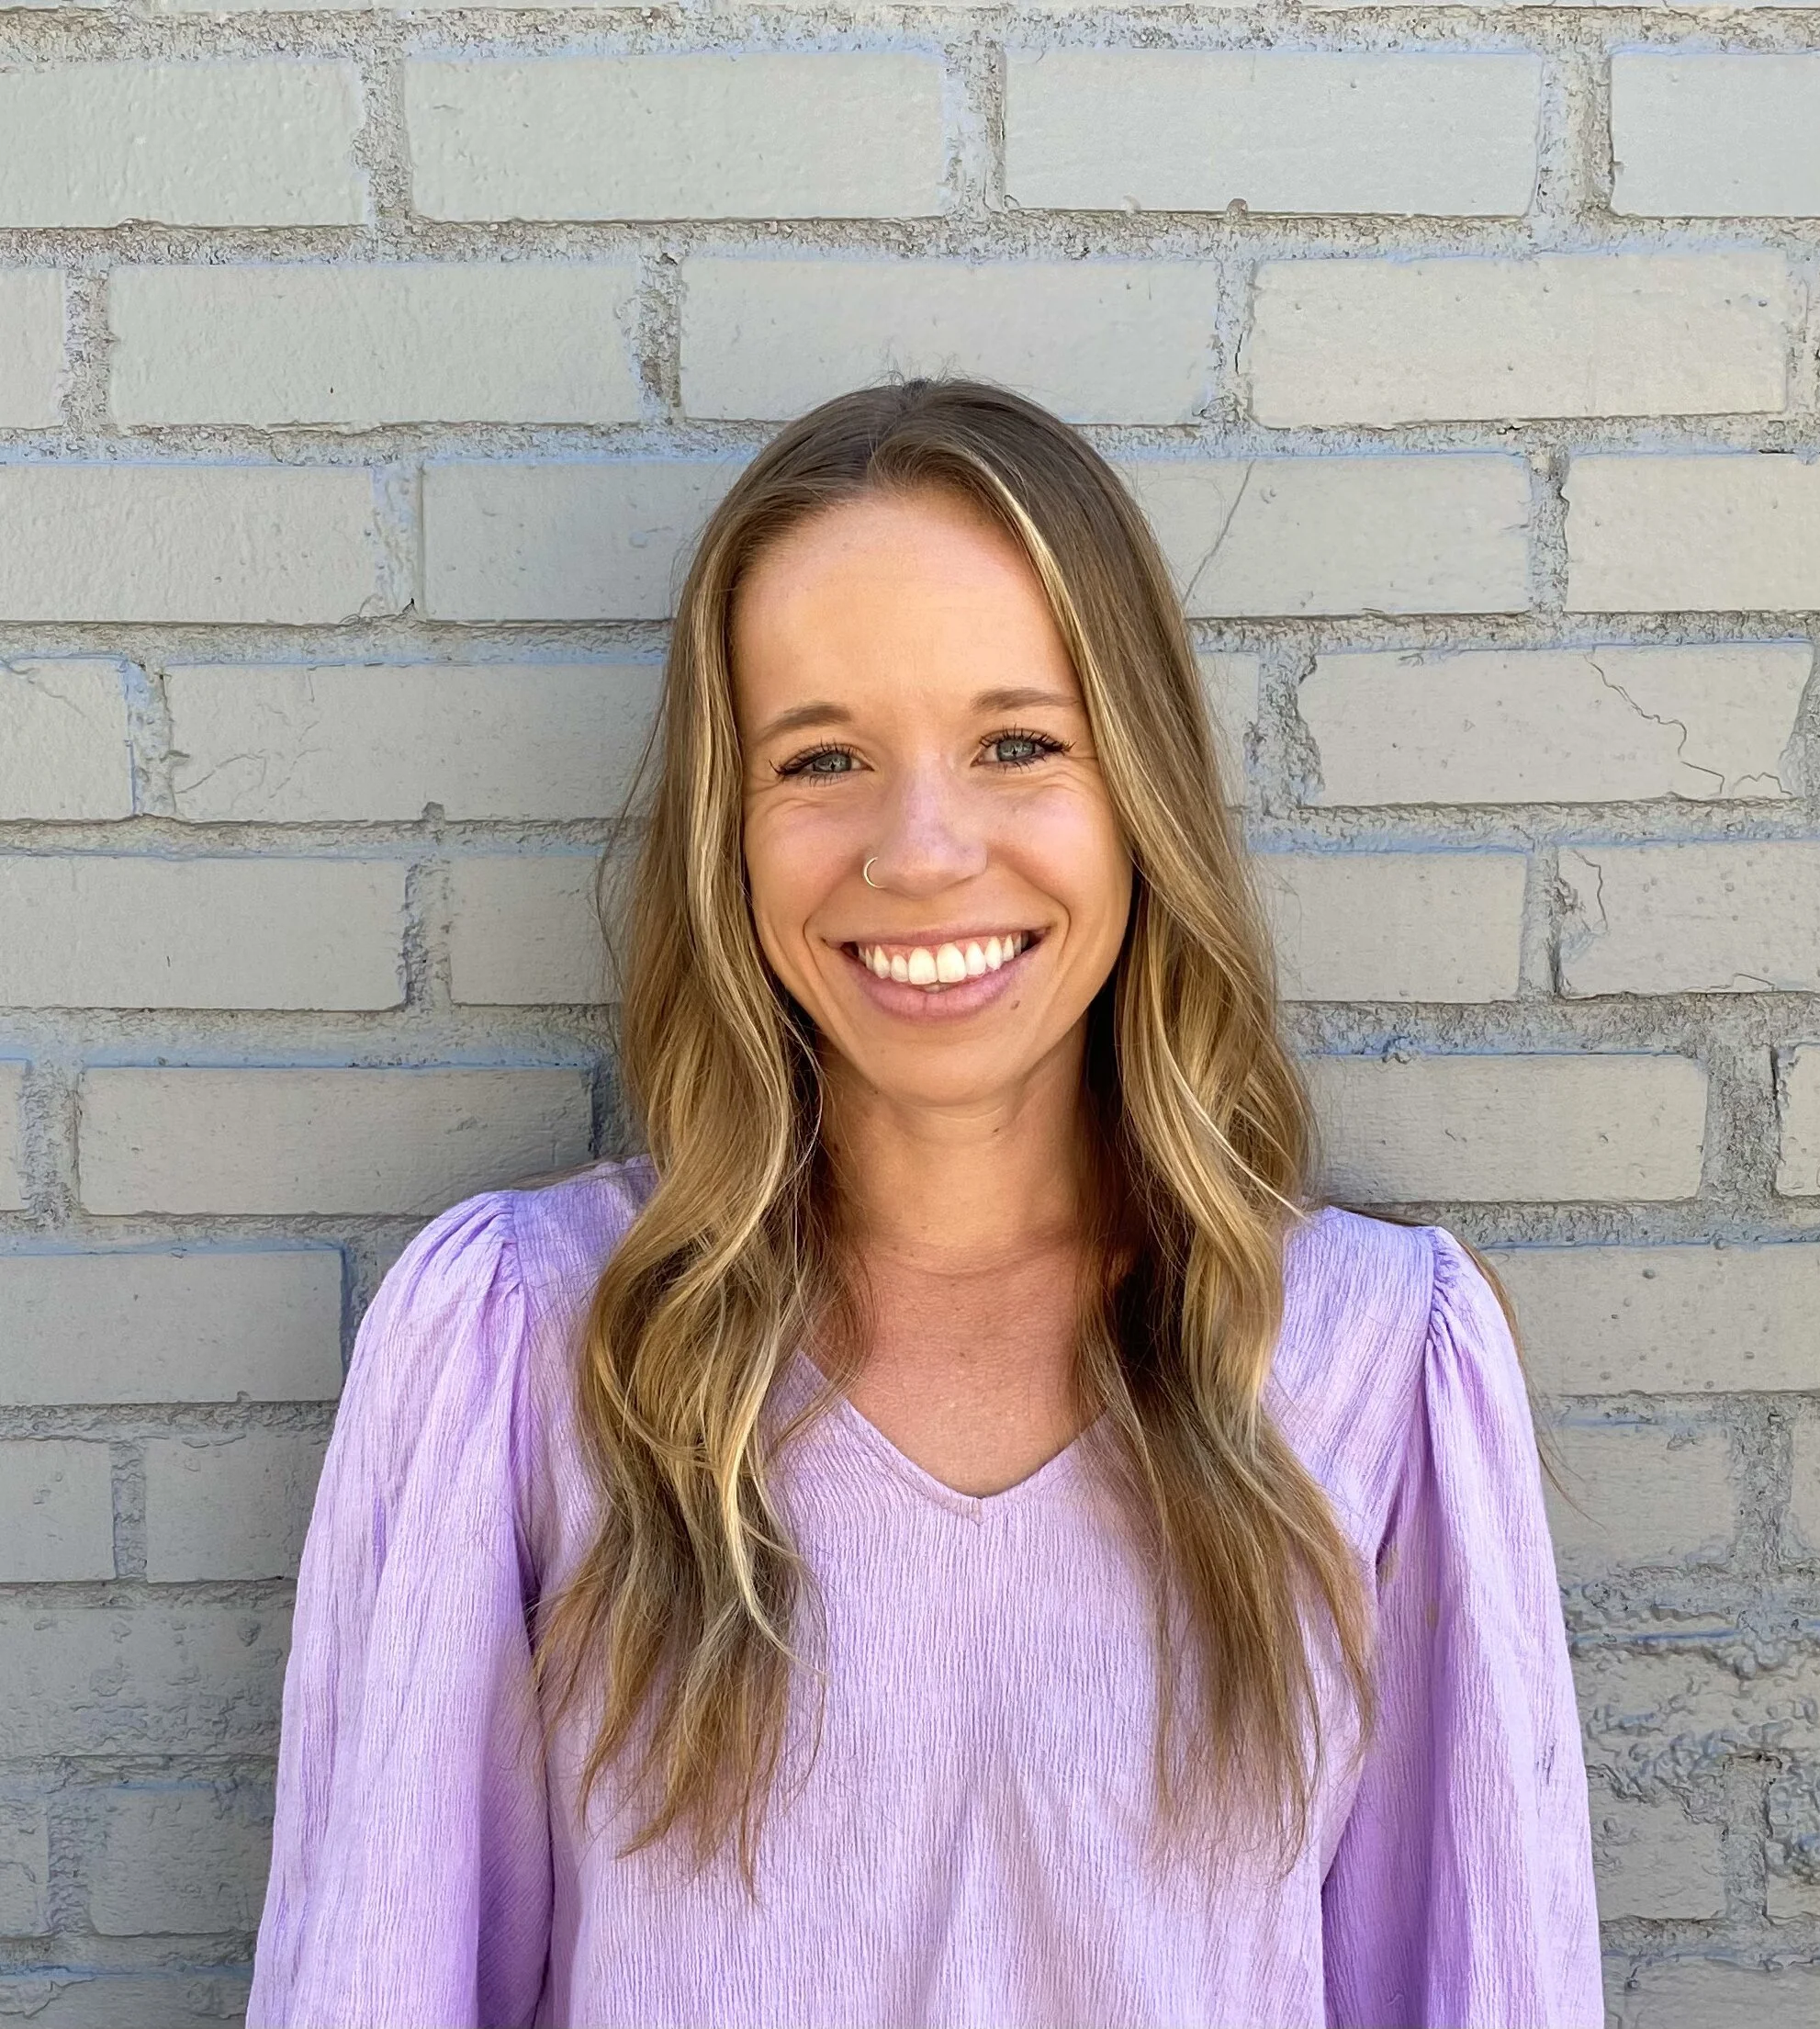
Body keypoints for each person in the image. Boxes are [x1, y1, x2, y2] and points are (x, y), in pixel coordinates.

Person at [247, 380, 1601, 2029]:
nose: (923, 848)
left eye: (1018, 743)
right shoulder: (526, 1349)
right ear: (728, 836)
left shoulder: (1382, 1369)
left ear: (1141, 793)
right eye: (823, 759)